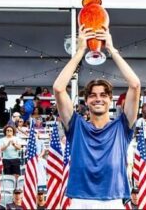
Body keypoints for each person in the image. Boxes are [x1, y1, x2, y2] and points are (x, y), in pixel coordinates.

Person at [53, 25, 140, 208]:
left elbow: (135, 84)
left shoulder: (122, 126)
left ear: (110, 99)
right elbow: (59, 88)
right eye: (92, 95)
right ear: (86, 100)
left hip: (113, 199)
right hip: (80, 200)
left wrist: (111, 49)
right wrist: (80, 51)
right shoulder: (76, 125)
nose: (98, 98)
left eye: (103, 95)